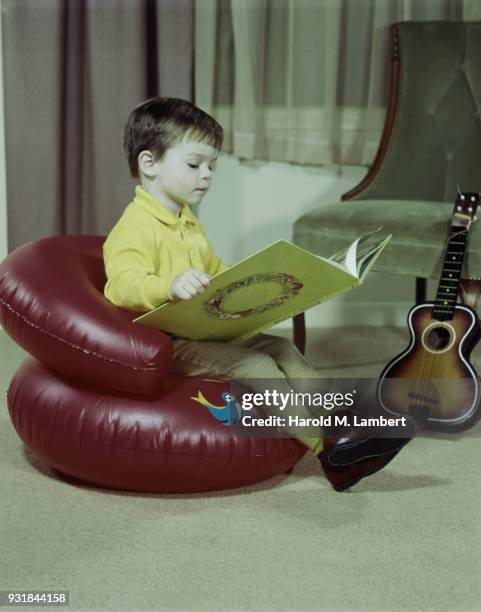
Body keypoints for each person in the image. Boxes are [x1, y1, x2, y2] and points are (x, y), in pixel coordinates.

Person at [103, 97, 416, 492]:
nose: (207, 175)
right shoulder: (134, 227)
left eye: (212, 166)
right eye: (194, 164)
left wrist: (263, 286)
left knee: (283, 349)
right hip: (175, 343)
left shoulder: (186, 221)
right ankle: (331, 453)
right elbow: (122, 284)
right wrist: (168, 285)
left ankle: (342, 420)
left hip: (207, 330)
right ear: (149, 164)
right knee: (256, 365)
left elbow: (216, 275)